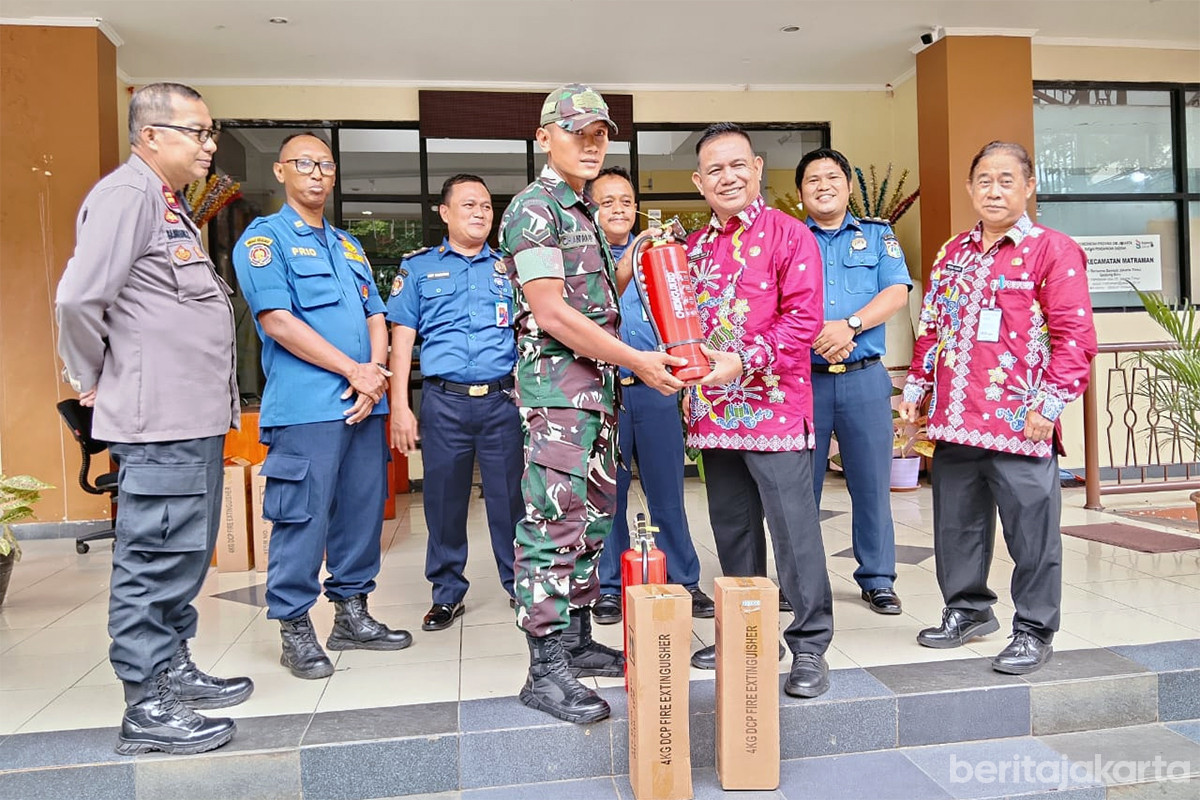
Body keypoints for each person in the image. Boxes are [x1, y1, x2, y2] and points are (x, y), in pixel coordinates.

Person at [56, 82, 252, 755]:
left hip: (190, 418)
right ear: (150, 136)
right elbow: (79, 300)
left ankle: (172, 666)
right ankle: (145, 705)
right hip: (158, 421)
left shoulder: (168, 203)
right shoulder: (125, 195)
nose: (209, 145)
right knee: (154, 558)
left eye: (209, 132)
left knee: (186, 554)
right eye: (197, 132)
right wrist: (89, 377)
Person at [499, 84, 685, 724]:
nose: (590, 144)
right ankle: (544, 669)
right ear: (543, 136)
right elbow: (552, 312)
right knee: (553, 522)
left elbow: (595, 300)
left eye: (600, 134)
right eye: (576, 131)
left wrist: (636, 258)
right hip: (559, 393)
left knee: (593, 520)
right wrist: (637, 360)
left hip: (595, 393)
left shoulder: (580, 211)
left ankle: (576, 642)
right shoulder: (535, 209)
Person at [900, 140, 1097, 675]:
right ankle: (967, 611)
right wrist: (916, 389)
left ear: (1029, 186)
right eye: (984, 180)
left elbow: (1076, 338)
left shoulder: (1053, 250)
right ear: (969, 188)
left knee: (1031, 535)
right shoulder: (952, 252)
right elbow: (932, 328)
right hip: (955, 420)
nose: (993, 190)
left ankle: (1034, 629)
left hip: (1021, 422)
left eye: (1006, 180)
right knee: (956, 527)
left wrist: (1048, 405)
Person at [232, 132, 412, 681]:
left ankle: (352, 613)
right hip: (308, 408)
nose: (317, 173)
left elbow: (376, 315)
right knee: (302, 517)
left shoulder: (348, 245)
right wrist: (353, 372)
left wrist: (373, 377)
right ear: (281, 171)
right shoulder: (265, 239)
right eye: (304, 163)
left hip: (364, 404)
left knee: (362, 511)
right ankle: (294, 627)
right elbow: (277, 321)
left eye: (326, 165)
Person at [683, 122, 833, 699]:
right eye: (714, 169)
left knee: (794, 533)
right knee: (734, 531)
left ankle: (810, 645)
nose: (728, 177)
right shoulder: (692, 249)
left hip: (775, 411)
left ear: (758, 168)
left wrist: (742, 361)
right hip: (714, 413)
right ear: (699, 182)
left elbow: (803, 321)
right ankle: (747, 635)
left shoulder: (791, 235)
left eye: (737, 165)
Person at [387, 174, 522, 631]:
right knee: (443, 502)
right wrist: (400, 406)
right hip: (444, 403)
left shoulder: (509, 268)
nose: (480, 212)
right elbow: (401, 340)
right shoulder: (419, 268)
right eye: (469, 205)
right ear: (445, 213)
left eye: (485, 205)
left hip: (503, 401)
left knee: (510, 500)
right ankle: (446, 593)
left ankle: (519, 586)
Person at [587, 166, 713, 625]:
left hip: (658, 390)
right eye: (607, 202)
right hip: (605, 395)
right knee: (607, 496)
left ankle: (684, 580)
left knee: (668, 493)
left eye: (626, 201)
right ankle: (609, 587)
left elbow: (685, 318)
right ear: (590, 210)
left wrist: (690, 386)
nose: (618, 209)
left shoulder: (660, 256)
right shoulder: (583, 260)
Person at [797, 148, 912, 615]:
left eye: (832, 177)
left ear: (847, 186)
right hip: (805, 382)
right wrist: (820, 337)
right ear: (801, 192)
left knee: (871, 485)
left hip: (864, 379)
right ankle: (801, 580)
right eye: (812, 179)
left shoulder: (878, 236)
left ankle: (878, 578)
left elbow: (897, 291)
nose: (823, 186)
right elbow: (776, 303)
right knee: (800, 490)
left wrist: (851, 326)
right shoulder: (789, 239)